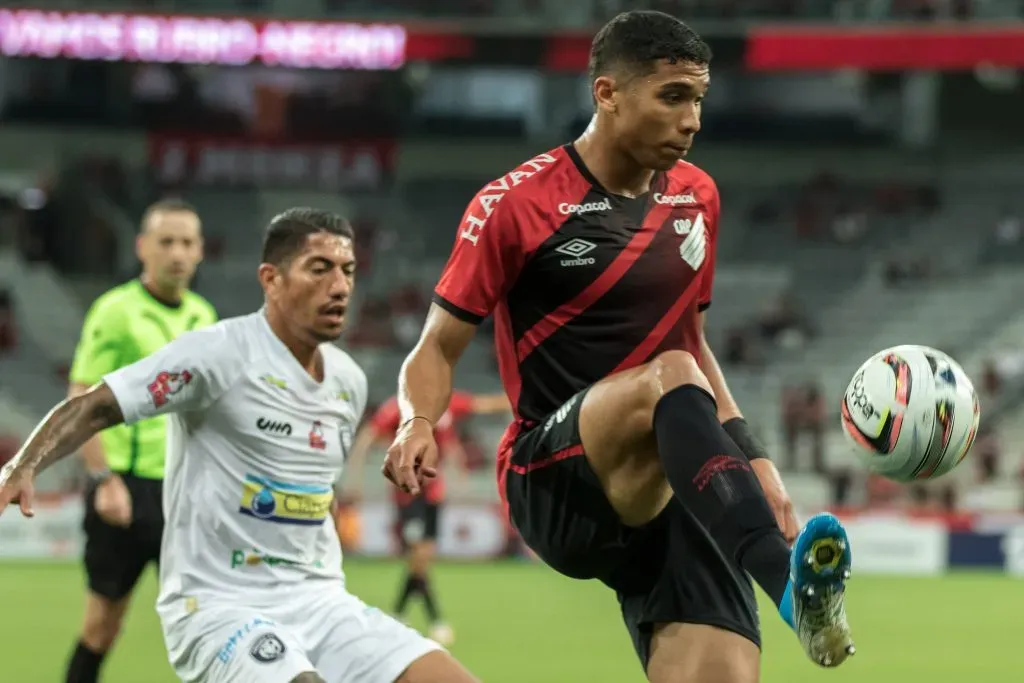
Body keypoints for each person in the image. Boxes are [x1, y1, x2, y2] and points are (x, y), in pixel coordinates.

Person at [384, 11, 855, 683]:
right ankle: (790, 586)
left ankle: (775, 584)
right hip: (554, 477)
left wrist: (753, 456)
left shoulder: (698, 197)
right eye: (672, 97)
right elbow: (436, 345)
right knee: (666, 376)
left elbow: (689, 336)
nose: (691, 119)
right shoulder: (515, 205)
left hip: (668, 476)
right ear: (606, 94)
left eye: (697, 99)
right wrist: (417, 419)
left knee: (721, 675)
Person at [0, 208, 478, 683]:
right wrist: (23, 465)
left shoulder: (348, 381)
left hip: (321, 603)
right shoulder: (217, 354)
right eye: (320, 269)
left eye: (348, 271)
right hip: (220, 606)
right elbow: (95, 405)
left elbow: (316, 487)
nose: (340, 286)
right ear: (270, 279)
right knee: (101, 626)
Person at [65, 198, 217, 683]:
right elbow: (80, 397)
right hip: (126, 490)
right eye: (166, 241)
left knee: (211, 622)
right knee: (103, 624)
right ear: (142, 248)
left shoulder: (204, 314)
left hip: (185, 492)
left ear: (199, 253)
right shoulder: (115, 311)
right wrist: (103, 478)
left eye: (187, 242)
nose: (177, 252)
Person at [344, 390, 509, 645]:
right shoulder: (399, 406)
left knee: (422, 559)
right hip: (408, 494)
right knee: (420, 556)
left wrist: (517, 393)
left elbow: (482, 406)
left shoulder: (447, 402)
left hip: (434, 495)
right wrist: (355, 474)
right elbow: (368, 435)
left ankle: (398, 615)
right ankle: (436, 620)